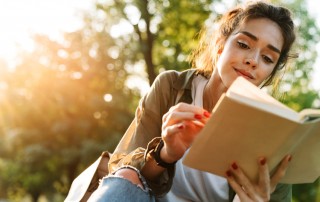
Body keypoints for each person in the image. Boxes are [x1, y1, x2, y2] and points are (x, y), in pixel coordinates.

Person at [88, 1, 296, 201]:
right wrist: (165, 154)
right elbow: (120, 172)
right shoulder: (171, 87)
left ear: (270, 74)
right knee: (127, 175)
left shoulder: (272, 133)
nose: (253, 60)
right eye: (243, 44)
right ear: (220, 45)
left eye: (268, 58)